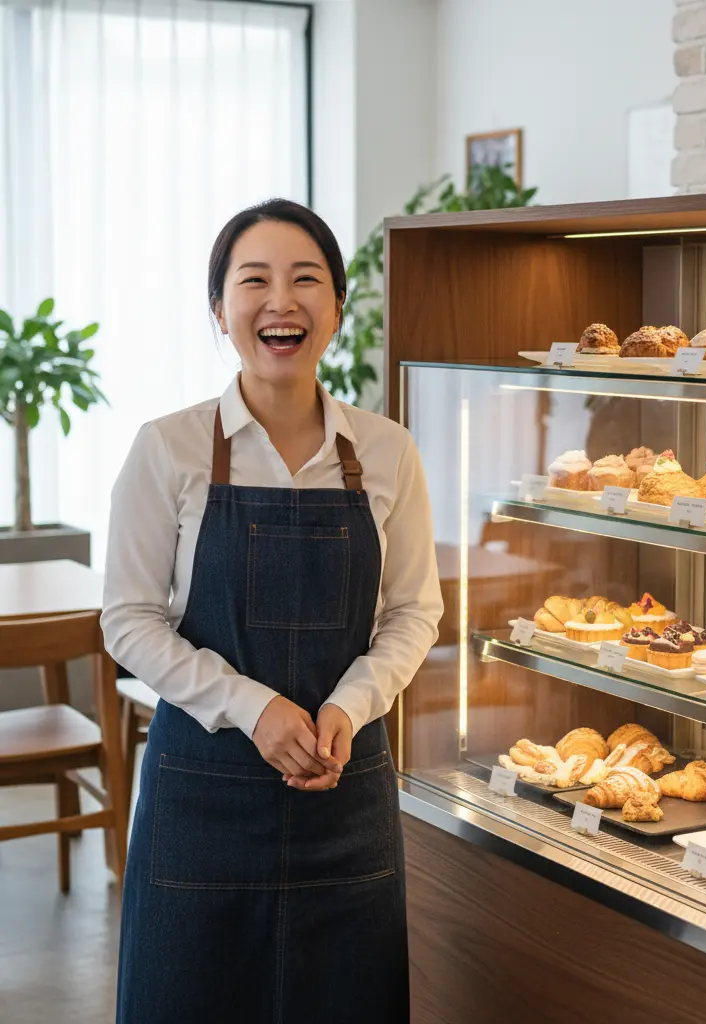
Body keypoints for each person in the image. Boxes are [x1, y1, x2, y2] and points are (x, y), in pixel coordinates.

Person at [101, 198, 442, 1023]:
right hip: (201, 798)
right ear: (219, 310)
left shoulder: (388, 450)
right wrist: (253, 709)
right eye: (253, 280)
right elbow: (129, 619)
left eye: (305, 280)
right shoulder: (168, 447)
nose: (279, 301)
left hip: (345, 788)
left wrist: (348, 707)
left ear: (336, 306)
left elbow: (414, 612)